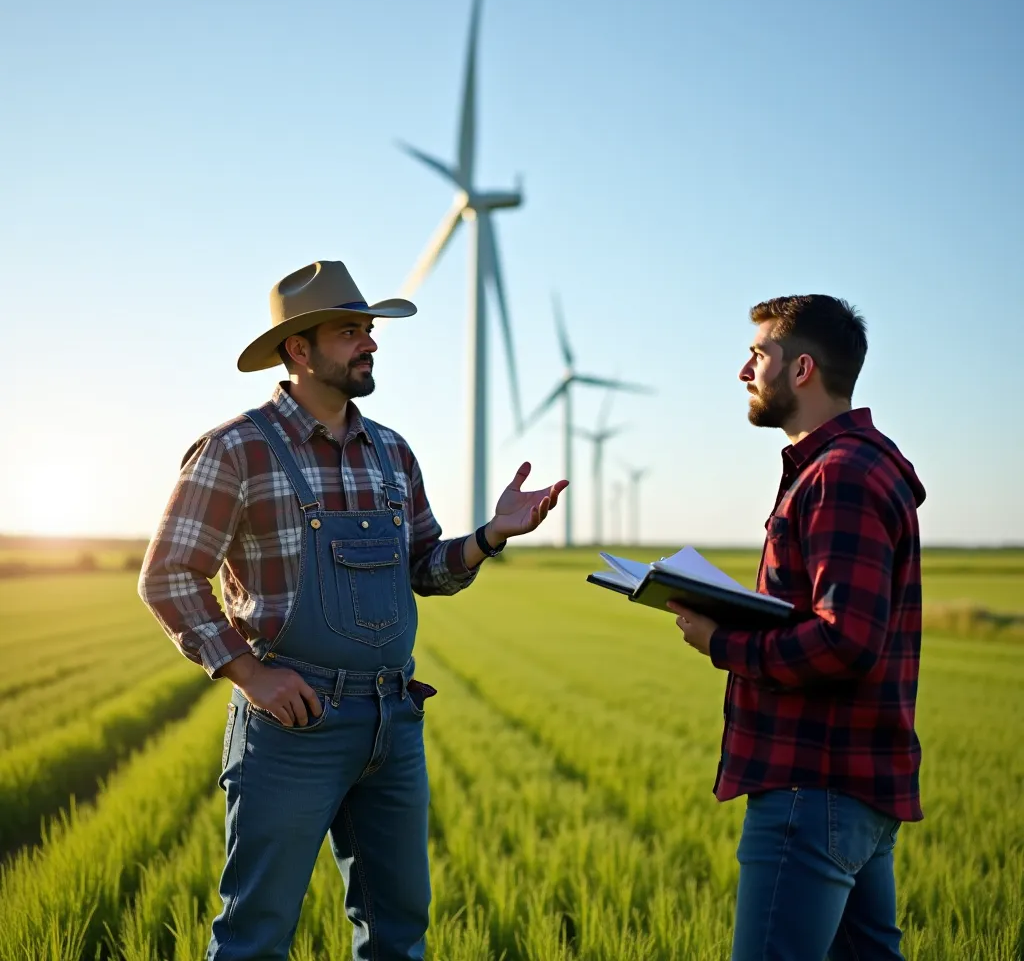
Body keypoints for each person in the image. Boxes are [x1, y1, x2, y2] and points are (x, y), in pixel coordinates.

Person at [138, 259, 568, 961]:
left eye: (369, 330)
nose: (370, 343)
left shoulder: (392, 452)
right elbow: (167, 577)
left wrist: (491, 536)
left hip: (393, 722)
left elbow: (425, 569)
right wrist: (249, 674)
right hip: (292, 726)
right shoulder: (235, 450)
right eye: (350, 331)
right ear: (297, 350)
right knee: (255, 937)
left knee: (400, 934)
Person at [668, 294, 925, 961]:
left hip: (813, 789)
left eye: (758, 355)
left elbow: (846, 639)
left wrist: (720, 641)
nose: (744, 371)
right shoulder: (844, 468)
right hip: (849, 787)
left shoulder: (840, 475)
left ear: (802, 368)